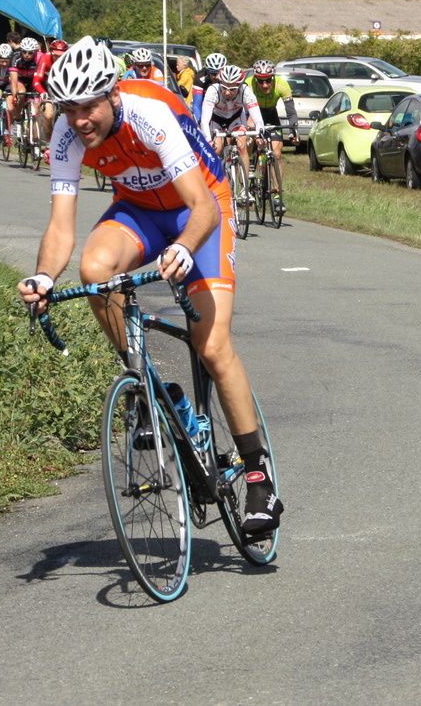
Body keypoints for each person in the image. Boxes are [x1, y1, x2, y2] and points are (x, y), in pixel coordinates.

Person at [16, 37, 281, 536]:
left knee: (212, 344)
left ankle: (257, 476)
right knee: (94, 271)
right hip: (139, 212)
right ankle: (148, 388)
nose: (79, 121)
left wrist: (182, 247)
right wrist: (45, 276)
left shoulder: (150, 114)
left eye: (88, 106)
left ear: (113, 95)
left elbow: (201, 207)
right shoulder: (66, 138)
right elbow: (60, 227)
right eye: (69, 110)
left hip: (199, 209)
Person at [247, 59, 296, 217]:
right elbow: (244, 112)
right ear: (255, 79)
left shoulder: (282, 85)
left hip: (271, 115)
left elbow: (291, 112)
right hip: (253, 114)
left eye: (268, 80)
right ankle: (250, 169)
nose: (265, 85)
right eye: (261, 81)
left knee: (277, 155)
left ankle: (277, 196)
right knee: (249, 138)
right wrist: (252, 132)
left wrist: (293, 130)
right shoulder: (248, 85)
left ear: (273, 78)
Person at [200, 64, 264, 176]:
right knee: (216, 149)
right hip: (217, 120)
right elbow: (205, 120)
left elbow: (257, 118)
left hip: (236, 118)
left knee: (242, 146)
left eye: (232, 89)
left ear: (239, 86)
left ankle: (244, 187)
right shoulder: (212, 91)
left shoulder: (246, 92)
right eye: (224, 88)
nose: (227, 93)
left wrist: (259, 134)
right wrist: (208, 140)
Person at [191, 52, 227, 124]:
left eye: (220, 73)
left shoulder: (228, 76)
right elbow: (197, 105)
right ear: (207, 71)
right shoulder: (200, 78)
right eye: (213, 73)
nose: (217, 77)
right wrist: (200, 122)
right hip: (205, 106)